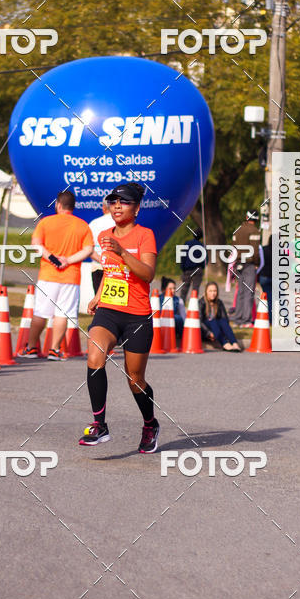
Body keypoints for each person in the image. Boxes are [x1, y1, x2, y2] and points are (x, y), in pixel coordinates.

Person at [79, 181, 160, 454]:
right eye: (113, 200)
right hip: (109, 311)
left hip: (137, 316)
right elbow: (109, 271)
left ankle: (150, 423)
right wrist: (99, 295)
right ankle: (99, 425)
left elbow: (147, 274)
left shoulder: (144, 235)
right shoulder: (104, 233)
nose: (117, 205)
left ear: (136, 208)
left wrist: (122, 251)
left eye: (123, 201)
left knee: (135, 379)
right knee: (94, 357)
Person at [18, 190, 93, 360]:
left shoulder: (46, 222)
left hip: (48, 275)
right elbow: (88, 250)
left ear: (58, 205)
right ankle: (54, 349)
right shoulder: (82, 225)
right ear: (73, 207)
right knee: (62, 314)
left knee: (40, 312)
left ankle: (31, 348)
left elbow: (36, 245)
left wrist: (53, 258)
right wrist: (67, 260)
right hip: (70, 277)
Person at [231, 211, 261, 327]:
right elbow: (255, 251)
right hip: (249, 264)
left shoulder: (237, 230)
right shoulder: (254, 231)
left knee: (240, 292)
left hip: (238, 263)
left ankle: (237, 319)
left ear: (246, 217)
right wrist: (257, 263)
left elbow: (233, 248)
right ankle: (246, 320)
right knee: (249, 292)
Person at [199, 282, 241, 351]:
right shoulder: (201, 302)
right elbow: (200, 321)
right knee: (212, 321)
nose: (213, 293)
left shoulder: (219, 302)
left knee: (223, 321)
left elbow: (225, 319)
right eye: (210, 291)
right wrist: (208, 333)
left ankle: (234, 343)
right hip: (205, 331)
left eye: (215, 291)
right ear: (206, 292)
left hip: (217, 330)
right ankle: (225, 344)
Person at [88, 198, 114, 294]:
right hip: (116, 269)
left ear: (103, 208)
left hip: (98, 267)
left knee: (100, 303)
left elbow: (88, 249)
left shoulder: (94, 224)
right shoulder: (121, 223)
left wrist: (102, 261)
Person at [178, 228, 207, 304]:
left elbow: (182, 257)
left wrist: (183, 268)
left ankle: (181, 304)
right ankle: (193, 305)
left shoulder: (187, 243)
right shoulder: (202, 246)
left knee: (184, 289)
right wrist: (202, 267)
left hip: (188, 269)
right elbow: (205, 259)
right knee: (195, 289)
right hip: (198, 269)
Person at [159, 276, 186, 341]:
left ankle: (183, 339)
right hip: (160, 325)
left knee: (178, 318)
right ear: (163, 289)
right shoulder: (157, 299)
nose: (173, 290)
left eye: (174, 288)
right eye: (170, 288)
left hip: (174, 326)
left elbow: (183, 318)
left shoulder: (179, 300)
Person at [257, 234, 273, 323]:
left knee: (266, 297)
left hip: (264, 276)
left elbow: (261, 263)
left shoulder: (263, 249)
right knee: (276, 298)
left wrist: (257, 273)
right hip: (276, 277)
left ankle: (267, 317)